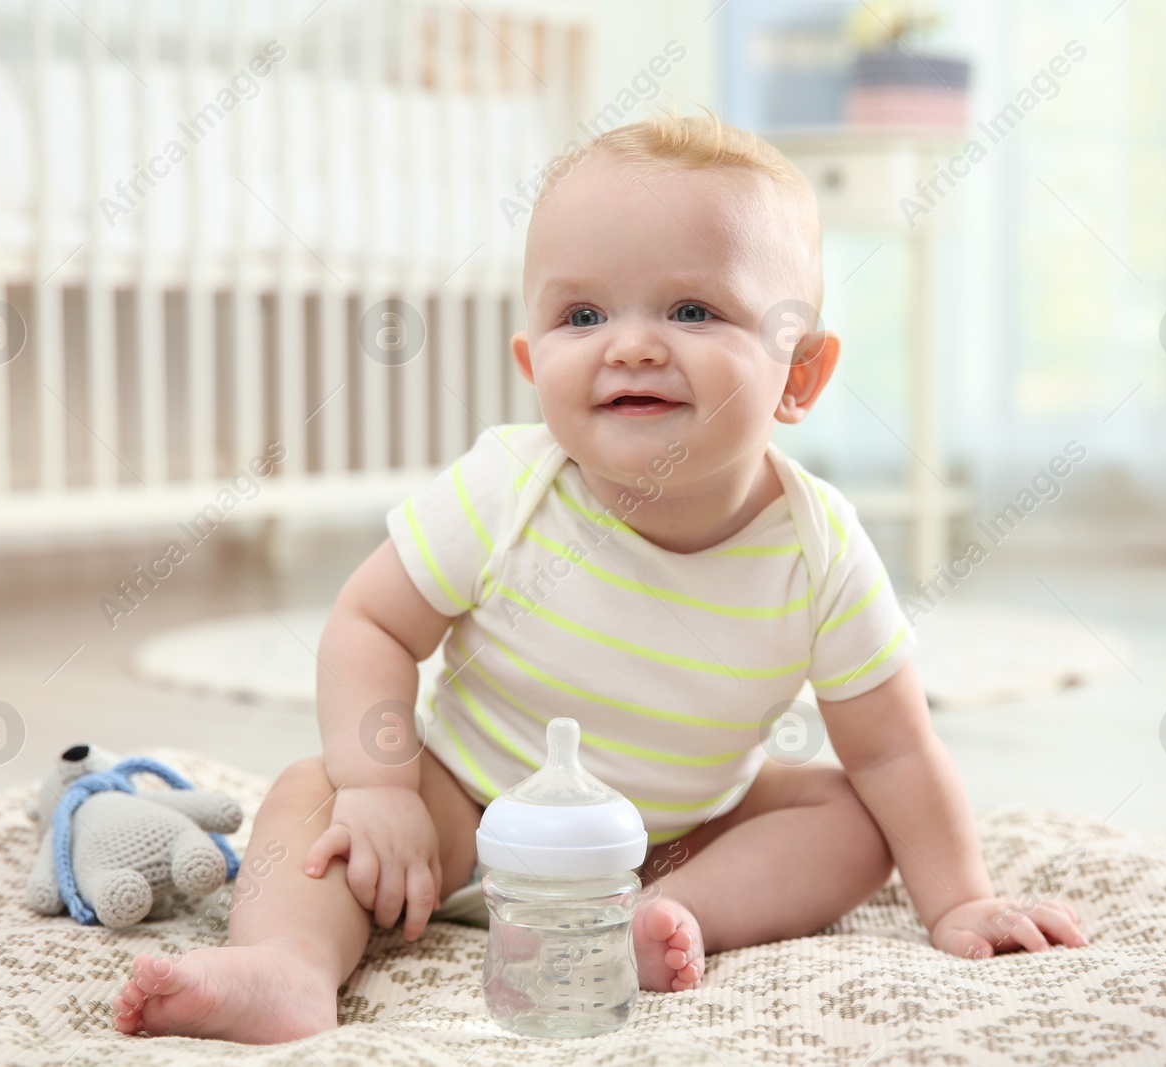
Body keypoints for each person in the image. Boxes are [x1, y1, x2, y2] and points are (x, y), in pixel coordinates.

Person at [112, 109, 1085, 1044]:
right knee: (309, 793)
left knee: (846, 811)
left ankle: (664, 918)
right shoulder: (508, 486)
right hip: (465, 810)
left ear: (800, 374)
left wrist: (959, 895)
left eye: (693, 307)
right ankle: (285, 963)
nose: (630, 342)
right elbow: (370, 623)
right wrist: (380, 786)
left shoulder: (817, 543)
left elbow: (894, 754)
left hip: (683, 835)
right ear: (534, 363)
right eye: (583, 313)